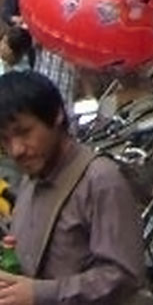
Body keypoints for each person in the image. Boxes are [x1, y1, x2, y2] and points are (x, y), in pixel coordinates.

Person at [0, 69, 144, 305]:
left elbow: (123, 277)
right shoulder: (31, 177)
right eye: (5, 139)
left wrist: (39, 293)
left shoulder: (100, 181)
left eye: (24, 132)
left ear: (56, 116)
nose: (16, 149)